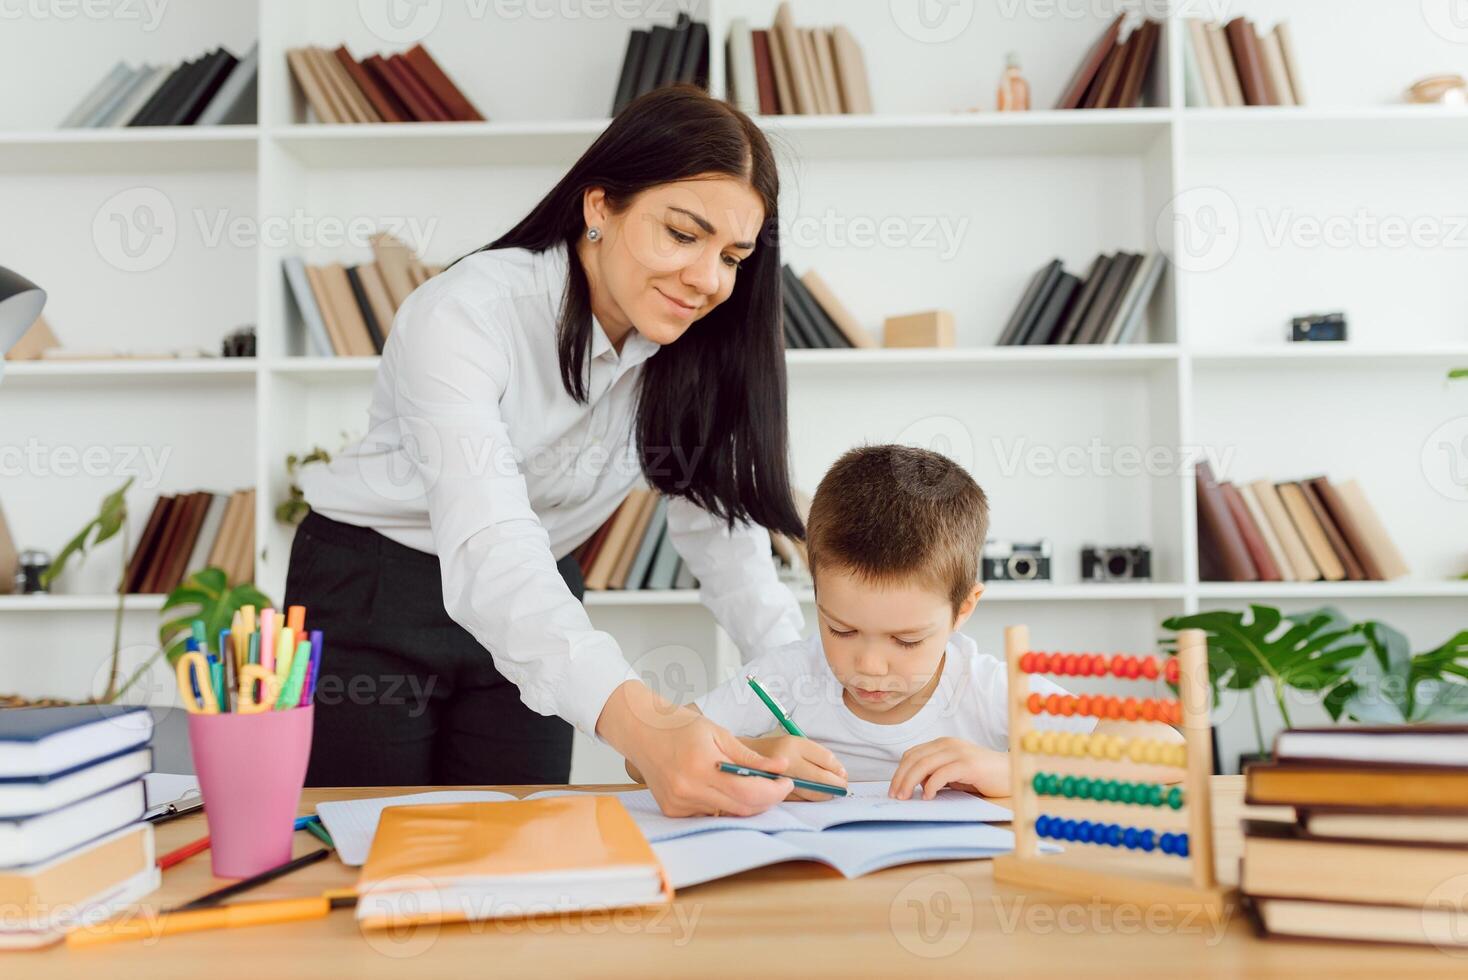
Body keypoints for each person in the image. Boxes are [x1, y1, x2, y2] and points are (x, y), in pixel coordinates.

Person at [288, 85, 806, 816]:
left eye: (732, 255)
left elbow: (731, 550)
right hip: (376, 586)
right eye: (683, 234)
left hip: (540, 592)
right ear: (600, 206)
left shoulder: (690, 347)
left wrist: (811, 702)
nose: (708, 279)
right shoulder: (466, 314)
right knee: (371, 847)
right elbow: (490, 540)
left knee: (521, 844)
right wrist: (650, 730)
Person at [678, 444, 1185, 800]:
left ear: (963, 610)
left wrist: (1016, 770)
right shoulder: (788, 676)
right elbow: (646, 757)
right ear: (815, 594)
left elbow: (1167, 749)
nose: (870, 665)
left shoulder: (982, 687)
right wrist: (757, 753)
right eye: (842, 630)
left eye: (906, 639)